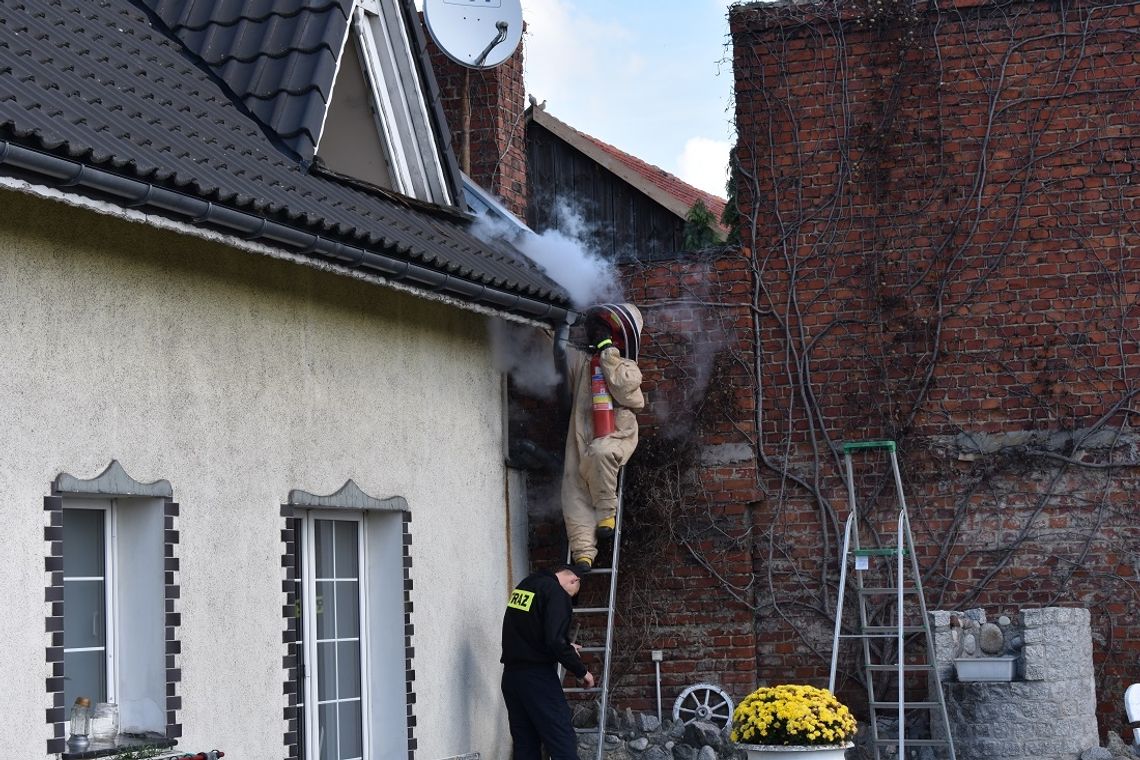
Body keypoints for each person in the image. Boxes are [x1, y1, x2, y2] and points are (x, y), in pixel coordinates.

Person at [557, 303, 645, 572]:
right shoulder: (584, 364)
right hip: (582, 430)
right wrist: (556, 326)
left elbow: (627, 392)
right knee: (573, 486)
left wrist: (608, 352)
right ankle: (583, 551)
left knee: (602, 454)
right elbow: (558, 357)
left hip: (616, 431)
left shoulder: (628, 366)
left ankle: (607, 515)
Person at [501, 564, 594, 760]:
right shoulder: (556, 592)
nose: (570, 598)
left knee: (525, 744)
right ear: (574, 580)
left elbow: (531, 630)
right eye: (573, 594)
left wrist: (567, 645)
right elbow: (554, 640)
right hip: (537, 679)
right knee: (562, 740)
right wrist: (581, 671)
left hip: (512, 678)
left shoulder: (526, 585)